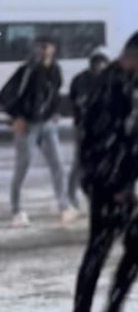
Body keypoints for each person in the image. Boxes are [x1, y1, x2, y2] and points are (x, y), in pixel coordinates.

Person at [67, 30, 138, 312]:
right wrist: (114, 183)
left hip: (123, 182)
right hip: (109, 182)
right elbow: (97, 139)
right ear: (128, 56)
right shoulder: (108, 86)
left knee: (132, 245)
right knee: (104, 247)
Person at [0, 37, 77, 228]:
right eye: (39, 47)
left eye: (45, 47)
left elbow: (55, 93)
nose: (42, 51)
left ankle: (64, 206)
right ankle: (17, 211)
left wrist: (55, 111)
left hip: (47, 125)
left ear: (53, 49)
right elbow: (5, 95)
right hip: (28, 125)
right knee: (23, 167)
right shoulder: (27, 70)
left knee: (58, 164)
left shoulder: (55, 70)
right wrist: (16, 117)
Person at [67, 47, 110, 209]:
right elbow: (74, 101)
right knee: (80, 163)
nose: (99, 66)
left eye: (102, 63)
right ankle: (71, 196)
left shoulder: (110, 80)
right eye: (97, 63)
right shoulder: (81, 80)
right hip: (84, 127)